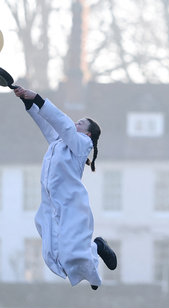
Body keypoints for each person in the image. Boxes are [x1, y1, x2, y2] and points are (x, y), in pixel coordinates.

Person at [12, 86, 117, 290]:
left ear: (87, 132)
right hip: (50, 203)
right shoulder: (59, 142)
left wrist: (39, 98)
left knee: (73, 250)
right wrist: (27, 101)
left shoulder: (81, 145)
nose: (75, 123)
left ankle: (97, 249)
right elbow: (47, 123)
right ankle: (88, 265)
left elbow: (64, 124)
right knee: (51, 247)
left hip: (71, 203)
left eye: (80, 123)